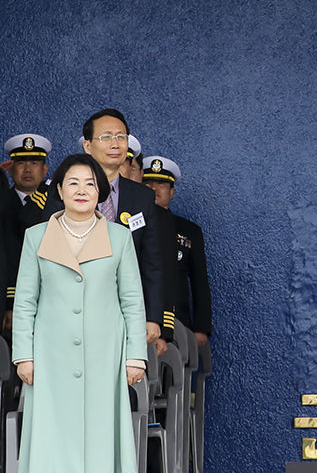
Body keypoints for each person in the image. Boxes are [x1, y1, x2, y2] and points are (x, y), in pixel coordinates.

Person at [12, 153, 147, 473]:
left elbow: (132, 302)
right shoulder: (36, 237)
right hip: (49, 361)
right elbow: (26, 303)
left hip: (105, 359)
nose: (82, 190)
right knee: (55, 455)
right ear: (58, 190)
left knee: (100, 453)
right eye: (73, 183)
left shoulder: (119, 238)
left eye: (90, 183)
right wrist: (24, 355)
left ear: (100, 191)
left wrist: (135, 356)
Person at [40, 110, 173, 350]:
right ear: (88, 146)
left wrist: (153, 317)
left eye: (121, 137)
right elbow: (47, 255)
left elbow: (152, 261)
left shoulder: (142, 196)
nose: (115, 143)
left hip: (124, 315)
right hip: (70, 311)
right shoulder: (62, 191)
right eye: (106, 137)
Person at [143, 156, 212, 347]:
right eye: (147, 183)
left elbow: (199, 281)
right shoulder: (132, 223)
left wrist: (201, 327)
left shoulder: (189, 231)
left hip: (177, 321)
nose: (154, 188)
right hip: (139, 318)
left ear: (172, 192)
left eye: (161, 184)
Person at [3, 134, 52, 337]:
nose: (28, 169)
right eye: (21, 163)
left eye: (34, 163)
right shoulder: (3, 203)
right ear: (11, 168)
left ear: (45, 169)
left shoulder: (57, 205)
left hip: (50, 302)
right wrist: (11, 303)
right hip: (7, 302)